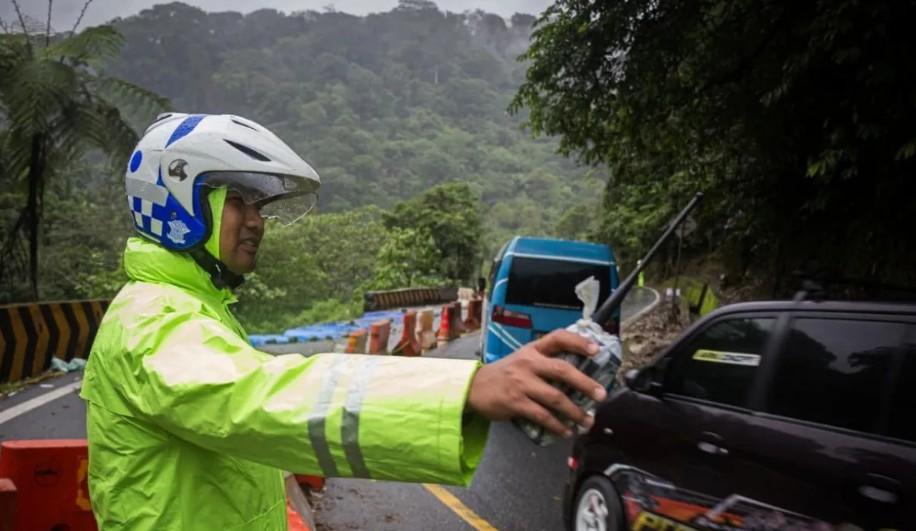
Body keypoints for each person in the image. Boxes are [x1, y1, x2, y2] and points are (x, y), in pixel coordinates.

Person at [81, 113, 606, 530]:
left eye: (259, 205)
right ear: (178, 200)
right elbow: (259, 400)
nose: (258, 221)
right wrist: (464, 389)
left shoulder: (196, 309)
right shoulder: (152, 320)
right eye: (238, 201)